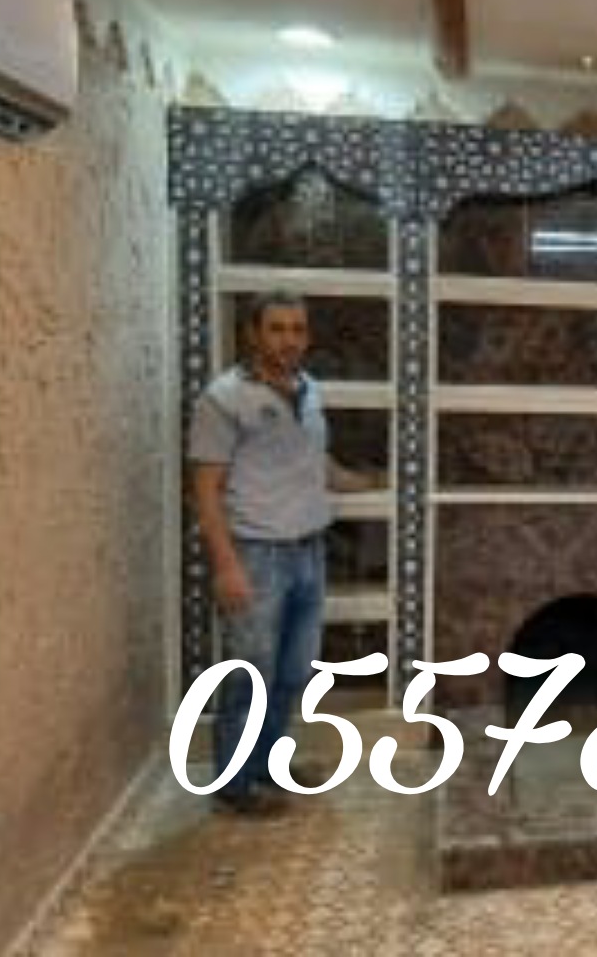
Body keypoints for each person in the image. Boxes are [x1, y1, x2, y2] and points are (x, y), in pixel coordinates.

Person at [188, 290, 383, 815]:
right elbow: (205, 490)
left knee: (293, 672)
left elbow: (318, 465)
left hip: (308, 552)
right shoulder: (223, 399)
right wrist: (226, 566)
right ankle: (235, 784)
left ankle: (269, 763)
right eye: (276, 329)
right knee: (250, 674)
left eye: (297, 330)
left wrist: (369, 481)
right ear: (252, 334)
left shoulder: (309, 391)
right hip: (257, 554)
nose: (288, 340)